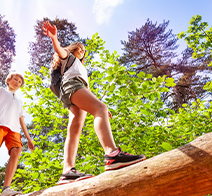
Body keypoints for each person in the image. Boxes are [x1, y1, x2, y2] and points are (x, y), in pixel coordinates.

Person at [42, 21, 146, 185]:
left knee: (75, 129)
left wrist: (99, 107)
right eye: (79, 48)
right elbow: (59, 50)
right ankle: (112, 154)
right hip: (72, 86)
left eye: (84, 50)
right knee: (99, 109)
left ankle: (67, 171)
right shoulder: (68, 58)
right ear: (72, 50)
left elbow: (86, 90)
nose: (82, 51)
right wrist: (54, 38)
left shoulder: (80, 67)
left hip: (73, 90)